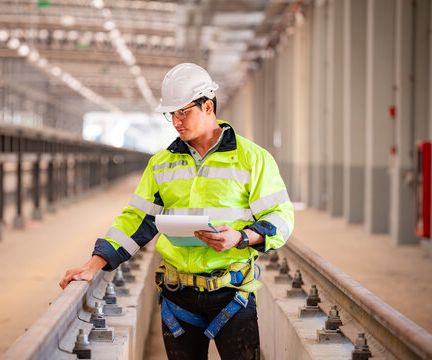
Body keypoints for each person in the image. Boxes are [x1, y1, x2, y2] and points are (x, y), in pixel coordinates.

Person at [59, 63, 294, 360]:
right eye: (171, 114)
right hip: (177, 296)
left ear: (207, 106)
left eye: (183, 112)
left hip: (232, 294)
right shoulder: (161, 163)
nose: (176, 121)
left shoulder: (251, 159)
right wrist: (92, 265)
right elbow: (137, 221)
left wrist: (242, 237)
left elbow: (281, 216)